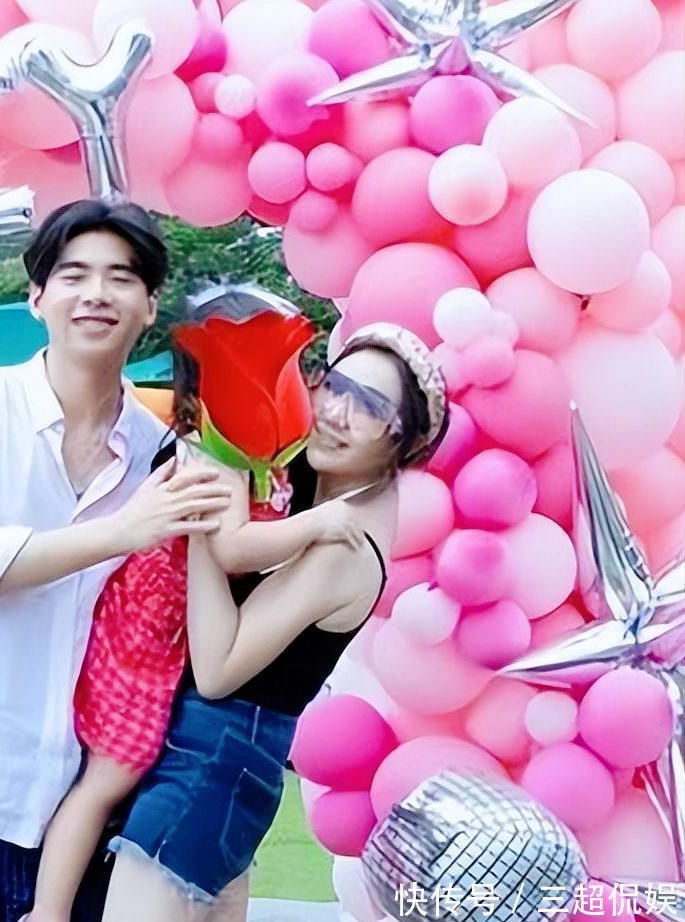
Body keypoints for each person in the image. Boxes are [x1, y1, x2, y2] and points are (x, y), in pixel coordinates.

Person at [0, 199, 234, 922]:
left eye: (121, 278)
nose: (96, 293)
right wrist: (125, 530)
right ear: (37, 298)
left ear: (150, 306)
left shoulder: (164, 456)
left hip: (68, 813)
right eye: (73, 275)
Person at [99, 320, 450, 922]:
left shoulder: (343, 544)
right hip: (218, 773)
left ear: (403, 441)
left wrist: (206, 525)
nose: (337, 412)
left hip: (207, 768)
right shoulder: (308, 492)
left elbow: (218, 670)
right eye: (334, 386)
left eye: (369, 407)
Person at [25, 286, 327, 922]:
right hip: (142, 639)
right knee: (112, 773)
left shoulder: (254, 455)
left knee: (127, 779)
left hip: (169, 639)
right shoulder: (209, 456)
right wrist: (320, 527)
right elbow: (233, 549)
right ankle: (47, 913)